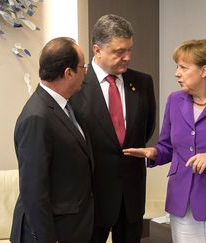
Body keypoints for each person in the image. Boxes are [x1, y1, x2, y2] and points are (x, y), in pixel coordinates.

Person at [123, 39, 206, 243]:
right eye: (177, 66)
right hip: (182, 204)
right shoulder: (174, 100)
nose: (177, 73)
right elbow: (167, 147)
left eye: (183, 67)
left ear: (204, 70)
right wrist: (153, 153)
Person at [70, 14, 156, 243]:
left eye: (129, 49)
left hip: (132, 196)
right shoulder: (76, 86)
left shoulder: (143, 83)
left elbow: (146, 129)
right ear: (97, 50)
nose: (127, 57)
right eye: (119, 52)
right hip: (92, 197)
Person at [10, 37, 94, 243]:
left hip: (72, 227)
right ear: (68, 73)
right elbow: (34, 190)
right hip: (50, 233)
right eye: (83, 67)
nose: (86, 72)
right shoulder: (37, 117)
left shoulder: (65, 106)